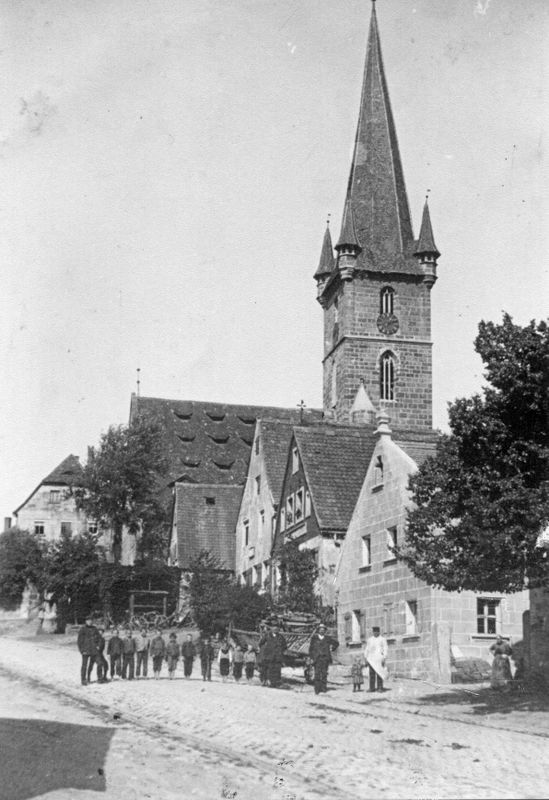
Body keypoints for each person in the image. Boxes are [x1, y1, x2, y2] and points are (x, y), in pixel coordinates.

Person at [308, 624, 334, 695]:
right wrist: (311, 657)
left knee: (324, 673)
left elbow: (336, 643)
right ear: (318, 630)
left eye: (323, 630)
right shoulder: (314, 638)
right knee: (317, 674)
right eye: (320, 629)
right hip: (317, 659)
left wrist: (332, 649)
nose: (322, 631)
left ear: (325, 631)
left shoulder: (328, 638)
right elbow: (311, 649)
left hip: (325, 658)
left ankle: (323, 688)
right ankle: (317, 689)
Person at [364, 626, 388, 692]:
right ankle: (372, 688)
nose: (375, 633)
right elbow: (367, 649)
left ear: (379, 632)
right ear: (373, 632)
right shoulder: (370, 639)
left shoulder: (382, 639)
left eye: (377, 632)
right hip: (371, 658)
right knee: (371, 673)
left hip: (379, 658)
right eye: (374, 632)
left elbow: (385, 648)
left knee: (379, 673)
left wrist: (384, 657)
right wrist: (365, 657)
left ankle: (380, 687)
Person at [77, 617, 99, 686]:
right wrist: (82, 650)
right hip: (85, 650)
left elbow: (98, 638)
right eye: (88, 620)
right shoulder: (83, 629)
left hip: (93, 650)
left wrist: (97, 645)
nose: (90, 622)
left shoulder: (95, 629)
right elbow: (79, 641)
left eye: (91, 620)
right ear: (86, 621)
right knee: (84, 665)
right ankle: (83, 679)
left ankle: (90, 677)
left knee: (93, 664)